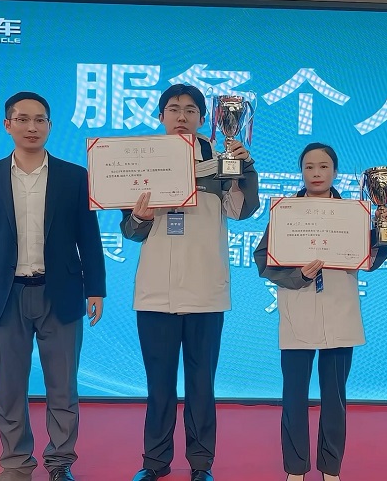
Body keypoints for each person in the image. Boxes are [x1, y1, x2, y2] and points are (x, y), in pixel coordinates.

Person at [0, 92, 107, 481]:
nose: (32, 127)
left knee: (63, 388)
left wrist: (96, 288)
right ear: (7, 125)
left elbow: (89, 238)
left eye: (40, 120)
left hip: (62, 294)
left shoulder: (74, 177)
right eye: (22, 119)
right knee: (9, 388)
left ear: (50, 126)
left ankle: (60, 464)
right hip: (5, 296)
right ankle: (16, 463)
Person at [122, 84, 259, 481]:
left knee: (201, 385)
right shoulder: (140, 162)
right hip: (155, 295)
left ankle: (201, 465)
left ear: (204, 118)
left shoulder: (220, 159)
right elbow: (130, 230)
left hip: (205, 293)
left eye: (190, 110)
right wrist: (143, 216)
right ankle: (155, 463)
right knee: (159, 385)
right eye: (173, 109)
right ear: (160, 116)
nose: (181, 116)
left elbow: (241, 210)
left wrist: (245, 169)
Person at [253, 142, 387, 481]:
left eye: (324, 167)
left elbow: (370, 260)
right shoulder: (286, 213)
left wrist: (383, 230)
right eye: (309, 167)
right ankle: (295, 469)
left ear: (335, 172)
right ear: (301, 172)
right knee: (294, 397)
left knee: (335, 398)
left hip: (340, 312)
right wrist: (298, 276)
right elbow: (264, 261)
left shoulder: (353, 214)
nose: (316, 173)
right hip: (297, 311)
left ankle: (331, 469)